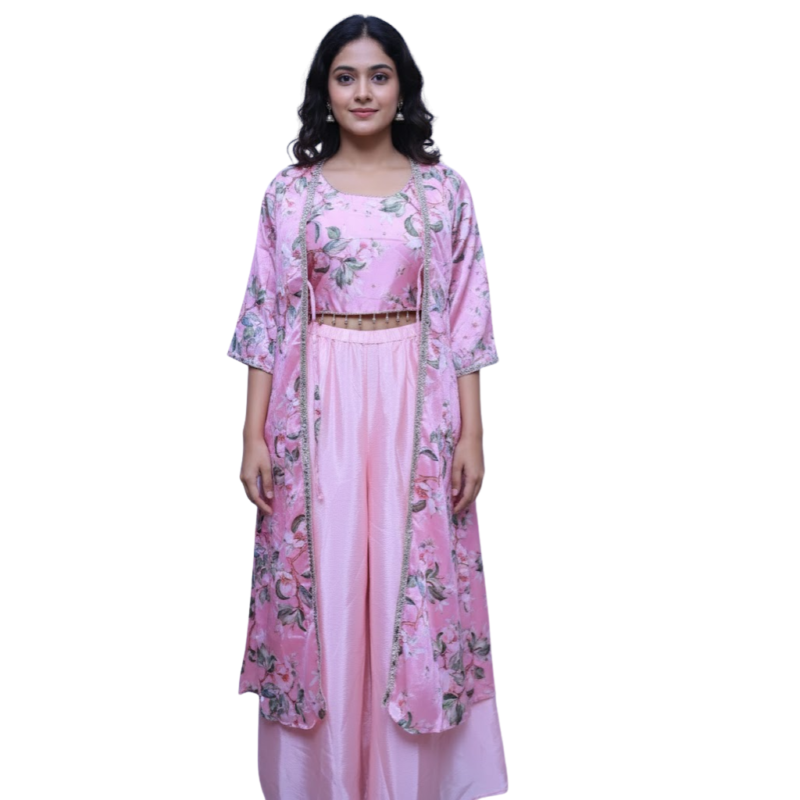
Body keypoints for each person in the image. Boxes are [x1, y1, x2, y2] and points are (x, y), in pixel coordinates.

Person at [227, 14, 509, 800]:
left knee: (407, 579)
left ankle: (406, 780)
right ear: (324, 90)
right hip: (316, 402)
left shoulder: (443, 192)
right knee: (324, 578)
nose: (362, 91)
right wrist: (251, 434)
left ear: (402, 87)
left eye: (378, 76)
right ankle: (322, 780)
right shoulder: (290, 193)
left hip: (415, 401)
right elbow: (267, 313)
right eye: (345, 76)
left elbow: (466, 317)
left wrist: (473, 434)